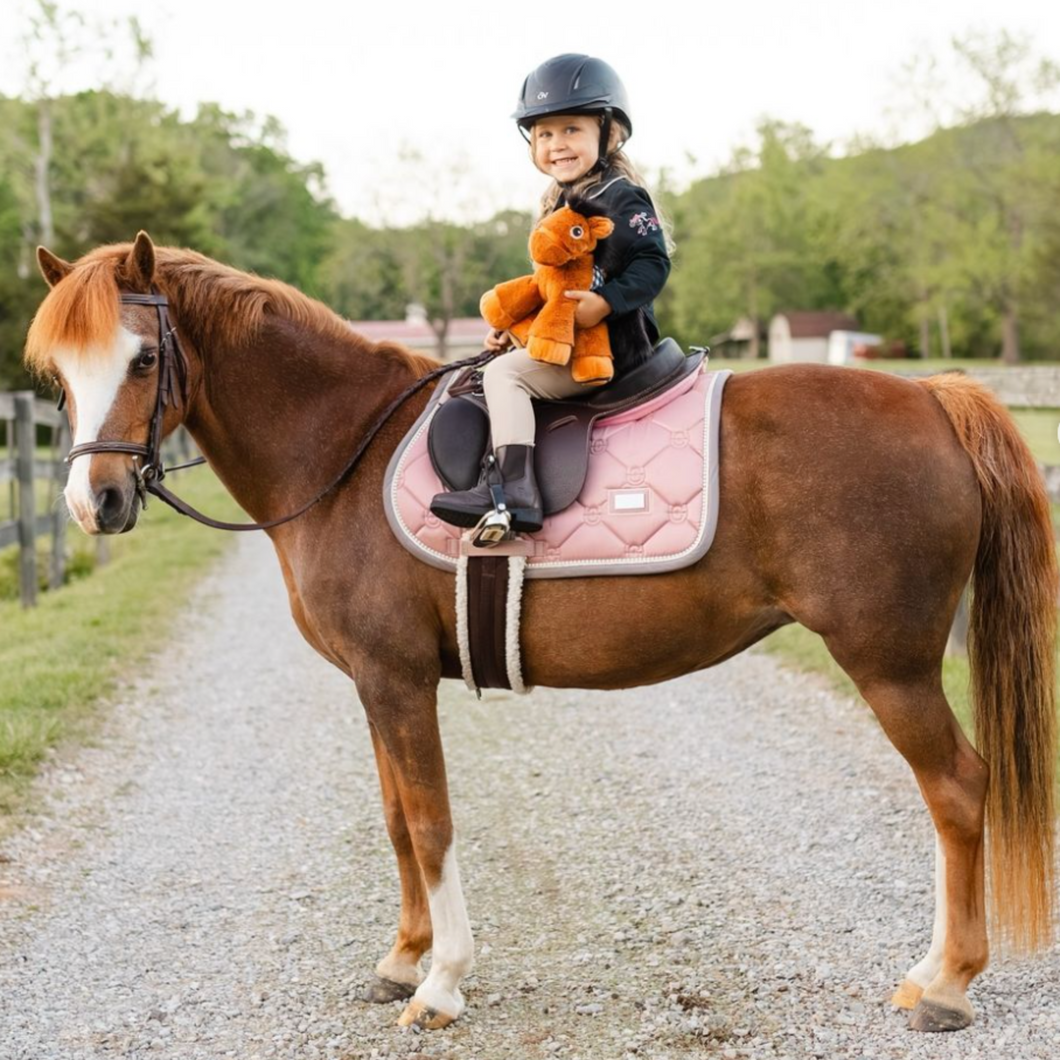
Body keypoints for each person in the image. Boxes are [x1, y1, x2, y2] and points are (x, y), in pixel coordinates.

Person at [430, 53, 672, 540]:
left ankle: (514, 491)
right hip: (572, 340)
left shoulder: (623, 196)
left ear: (610, 133)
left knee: (505, 378)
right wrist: (516, 330)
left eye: (570, 130)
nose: (556, 145)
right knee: (498, 363)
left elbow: (653, 262)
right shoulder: (561, 201)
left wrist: (608, 302)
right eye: (543, 134)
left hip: (612, 348)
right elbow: (552, 289)